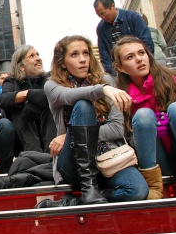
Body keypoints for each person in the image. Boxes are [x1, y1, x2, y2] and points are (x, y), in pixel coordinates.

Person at [38, 35, 148, 208]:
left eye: (86, 53)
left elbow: (116, 129)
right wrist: (102, 90)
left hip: (109, 156)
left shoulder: (107, 81)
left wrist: (69, 135)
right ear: (63, 63)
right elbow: (69, 96)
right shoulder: (52, 85)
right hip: (72, 162)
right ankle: (88, 187)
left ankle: (75, 202)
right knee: (83, 105)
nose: (82, 60)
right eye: (74, 55)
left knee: (138, 191)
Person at [112, 37, 176, 199]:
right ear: (120, 67)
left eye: (141, 53)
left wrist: (175, 126)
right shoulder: (120, 97)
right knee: (143, 115)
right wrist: (148, 130)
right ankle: (152, 186)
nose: (139, 59)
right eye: (130, 57)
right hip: (154, 160)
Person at [0, 45, 57, 154]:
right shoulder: (12, 81)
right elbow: (3, 100)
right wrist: (29, 95)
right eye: (32, 56)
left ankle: (51, 154)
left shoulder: (50, 77)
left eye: (37, 55)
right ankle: (34, 154)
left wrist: (35, 102)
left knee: (50, 104)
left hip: (49, 127)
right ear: (22, 66)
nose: (38, 58)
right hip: (22, 134)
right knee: (19, 108)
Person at [93, 0, 153, 75]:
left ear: (112, 6)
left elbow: (146, 41)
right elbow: (104, 53)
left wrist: (144, 62)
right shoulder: (101, 28)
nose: (102, 17)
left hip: (140, 65)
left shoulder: (133, 17)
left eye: (103, 13)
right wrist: (114, 73)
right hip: (119, 71)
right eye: (99, 15)